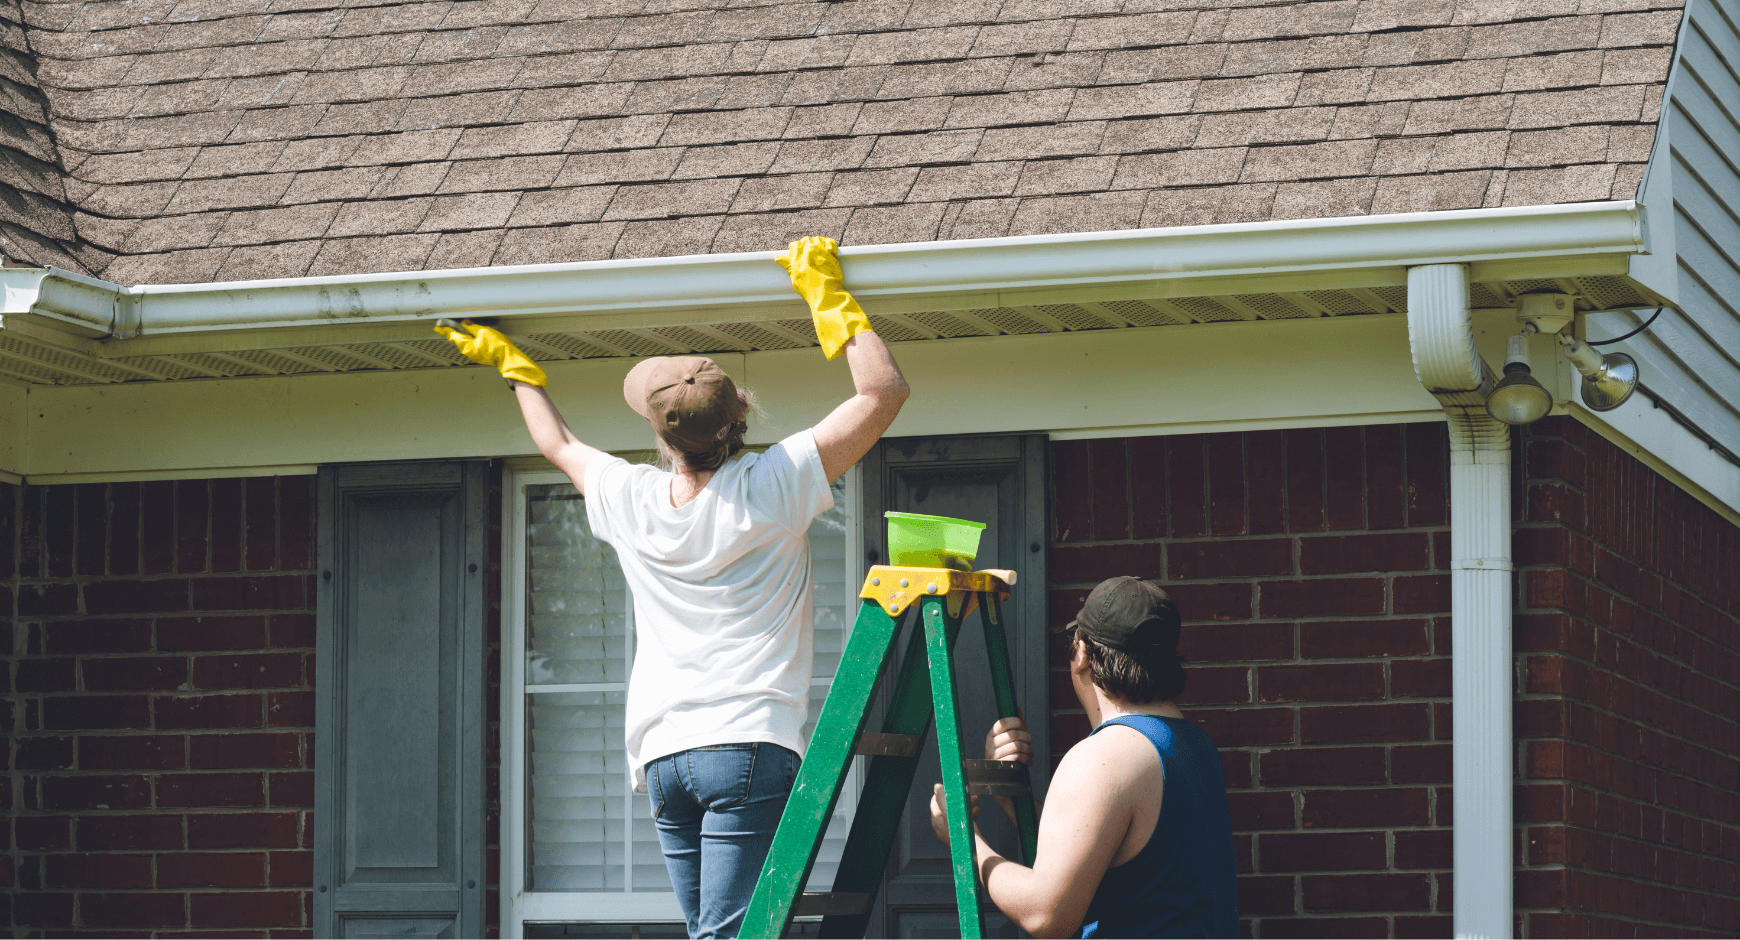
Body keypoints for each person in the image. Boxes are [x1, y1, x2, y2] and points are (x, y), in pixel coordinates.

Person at [438, 237, 907, 939]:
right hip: (747, 743)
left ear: (663, 439)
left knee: (712, 935)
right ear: (738, 418)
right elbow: (883, 392)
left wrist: (516, 369)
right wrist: (826, 296)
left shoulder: (633, 497)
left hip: (664, 756)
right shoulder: (775, 482)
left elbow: (557, 445)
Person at [929, 577, 1239, 938]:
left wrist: (964, 839)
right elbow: (1104, 846)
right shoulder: (1197, 747)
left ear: (1082, 655)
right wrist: (1009, 798)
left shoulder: (1103, 758)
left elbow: (1046, 916)